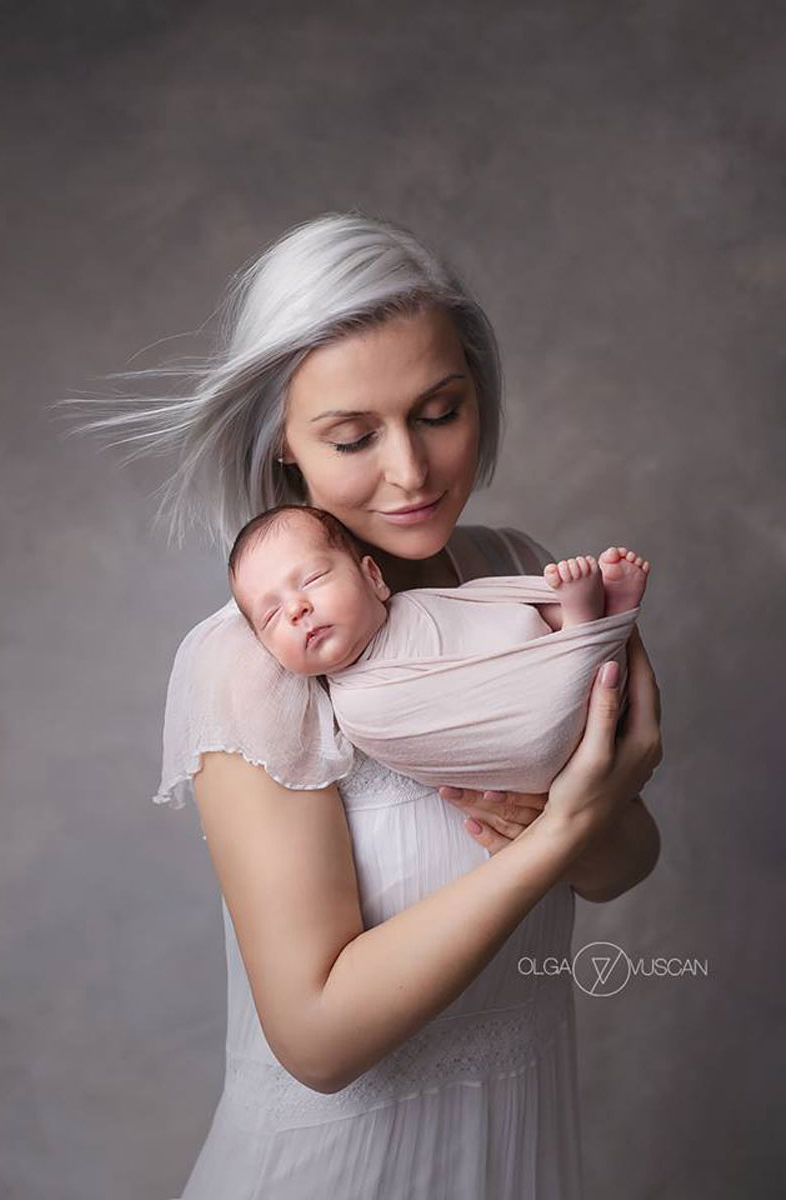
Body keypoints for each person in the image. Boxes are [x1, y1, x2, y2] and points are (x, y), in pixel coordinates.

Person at [64, 211, 662, 1199]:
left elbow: (626, 861)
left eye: (438, 412)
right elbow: (318, 1038)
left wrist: (591, 819)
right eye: (351, 436)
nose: (411, 472)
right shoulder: (250, 668)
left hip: (519, 1148)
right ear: (284, 449)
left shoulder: (518, 572)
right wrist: (556, 835)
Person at [226, 502, 650, 794]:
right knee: (570, 713)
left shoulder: (414, 603)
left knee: (502, 602)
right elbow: (527, 743)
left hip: (553, 652)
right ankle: (589, 624)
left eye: (312, 580)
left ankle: (582, 624)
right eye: (272, 616)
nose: (297, 609)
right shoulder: (361, 707)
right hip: (550, 725)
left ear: (373, 578)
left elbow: (489, 608)